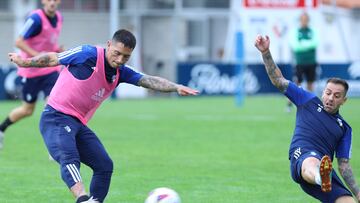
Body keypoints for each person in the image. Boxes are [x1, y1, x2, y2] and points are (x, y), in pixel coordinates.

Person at [8, 29, 198, 203]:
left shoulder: (121, 72)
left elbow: (148, 80)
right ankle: (83, 199)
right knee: (70, 158)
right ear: (109, 45)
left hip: (78, 124)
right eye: (117, 53)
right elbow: (53, 58)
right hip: (55, 117)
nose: (120, 59)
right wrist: (25, 62)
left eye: (126, 56)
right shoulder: (87, 54)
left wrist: (175, 87)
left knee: (104, 165)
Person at [255, 35, 360, 203]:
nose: (330, 98)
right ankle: (319, 177)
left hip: (327, 169)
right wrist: (266, 52)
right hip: (302, 157)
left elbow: (344, 165)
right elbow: (278, 80)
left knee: (348, 202)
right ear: (323, 91)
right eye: (328, 93)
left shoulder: (345, 128)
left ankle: (322, 177)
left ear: (344, 100)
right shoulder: (308, 100)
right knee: (312, 161)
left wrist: (358, 193)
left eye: (337, 95)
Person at [0, 0, 63, 149]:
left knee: (54, 104)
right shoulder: (35, 19)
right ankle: (1, 129)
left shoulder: (59, 18)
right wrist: (38, 57)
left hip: (50, 70)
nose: (52, 2)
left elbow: (49, 42)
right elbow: (19, 42)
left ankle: (54, 145)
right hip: (31, 71)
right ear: (43, 1)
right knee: (27, 110)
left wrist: (57, 50)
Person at [287, 11, 319, 112]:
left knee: (310, 85)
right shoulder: (296, 31)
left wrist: (303, 44)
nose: (304, 21)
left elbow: (315, 43)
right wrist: (307, 45)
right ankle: (289, 105)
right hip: (300, 62)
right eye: (302, 19)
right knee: (296, 84)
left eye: (306, 19)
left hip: (311, 62)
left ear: (308, 20)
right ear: (300, 20)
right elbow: (296, 47)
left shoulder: (312, 31)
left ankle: (311, 106)